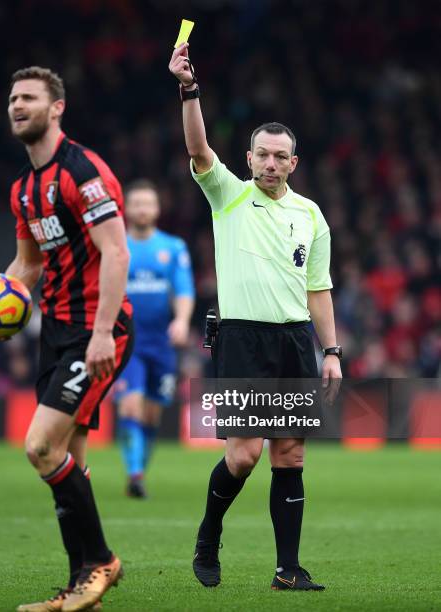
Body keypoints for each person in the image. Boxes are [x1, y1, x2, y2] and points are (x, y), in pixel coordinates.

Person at [169, 43, 343, 591]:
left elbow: (318, 289)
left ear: (294, 162)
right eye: (261, 154)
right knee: (243, 457)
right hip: (242, 339)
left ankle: (287, 570)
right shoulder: (228, 196)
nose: (270, 163)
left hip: (295, 341)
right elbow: (198, 149)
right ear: (248, 159)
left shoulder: (311, 215)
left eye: (280, 156)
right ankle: (208, 534)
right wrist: (189, 89)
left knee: (289, 454)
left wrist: (332, 351)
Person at [0, 66, 134, 612]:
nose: (17, 105)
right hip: (57, 333)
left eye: (30, 98)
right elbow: (27, 264)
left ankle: (103, 561)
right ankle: (77, 586)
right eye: (12, 98)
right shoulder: (21, 189)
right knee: (67, 460)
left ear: (56, 107)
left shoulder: (82, 171)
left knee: (40, 447)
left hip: (97, 329)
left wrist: (104, 331)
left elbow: (115, 251)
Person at [116, 179, 194, 498]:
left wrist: (182, 320)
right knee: (130, 406)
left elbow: (184, 289)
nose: (143, 209)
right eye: (137, 203)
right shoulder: (116, 245)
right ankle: (135, 474)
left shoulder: (172, 248)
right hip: (126, 340)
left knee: (152, 414)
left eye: (148, 203)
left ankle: (139, 471)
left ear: (157, 210)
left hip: (161, 344)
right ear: (126, 209)